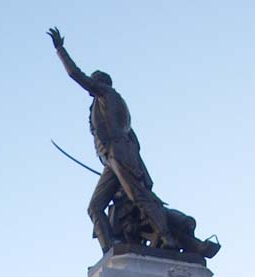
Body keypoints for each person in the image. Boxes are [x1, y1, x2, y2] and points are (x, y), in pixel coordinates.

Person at [48, 27, 178, 254]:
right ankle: (109, 250)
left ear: (101, 83)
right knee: (95, 206)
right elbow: (135, 142)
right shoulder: (108, 103)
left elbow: (75, 75)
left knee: (138, 195)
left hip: (118, 153)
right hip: (112, 158)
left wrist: (60, 49)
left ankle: (168, 238)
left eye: (94, 82)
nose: (91, 85)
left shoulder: (108, 95)